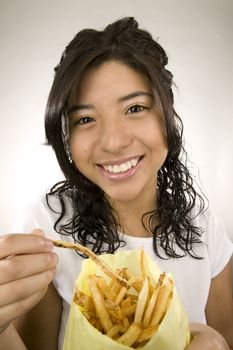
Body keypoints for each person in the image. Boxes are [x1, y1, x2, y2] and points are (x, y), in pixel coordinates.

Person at [0, 17, 232, 350]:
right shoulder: (46, 227)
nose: (112, 142)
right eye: (85, 119)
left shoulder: (203, 225)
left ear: (167, 113)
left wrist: (218, 344)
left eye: (135, 108)